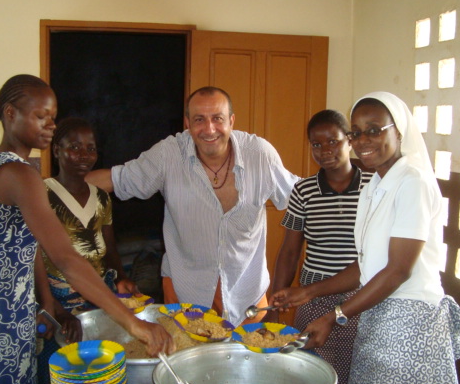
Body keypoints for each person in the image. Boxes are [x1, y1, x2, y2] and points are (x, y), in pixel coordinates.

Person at [0, 75, 174, 384]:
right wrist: (134, 324)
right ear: (10, 114)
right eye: (41, 117)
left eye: (53, 118)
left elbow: (29, 243)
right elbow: (66, 259)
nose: (50, 126)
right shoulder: (18, 173)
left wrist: (45, 304)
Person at [270, 91, 460, 384]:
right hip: (377, 316)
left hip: (409, 323)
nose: (363, 140)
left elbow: (398, 270)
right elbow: (365, 266)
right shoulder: (377, 185)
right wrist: (307, 292)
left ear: (399, 131)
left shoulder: (413, 182)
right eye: (358, 132)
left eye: (374, 130)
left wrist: (334, 315)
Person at [86, 86, 300, 326]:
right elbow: (119, 179)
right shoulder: (169, 154)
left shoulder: (259, 155)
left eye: (217, 118)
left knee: (252, 352)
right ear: (187, 123)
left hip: (247, 296)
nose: (209, 129)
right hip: (185, 293)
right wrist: (56, 188)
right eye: (199, 119)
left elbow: (303, 197)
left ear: (231, 121)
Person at [267, 109, 372, 384]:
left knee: (354, 383)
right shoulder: (303, 191)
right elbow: (289, 251)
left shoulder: (373, 187)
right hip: (312, 301)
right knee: (309, 381)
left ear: (349, 140)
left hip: (360, 300)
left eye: (333, 141)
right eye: (317, 144)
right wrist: (275, 302)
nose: (325, 150)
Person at [35, 116, 141, 384]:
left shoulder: (101, 198)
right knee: (60, 375)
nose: (84, 155)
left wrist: (121, 277)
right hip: (56, 296)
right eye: (74, 147)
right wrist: (56, 310)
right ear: (56, 150)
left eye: (90, 149)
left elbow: (110, 247)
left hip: (97, 293)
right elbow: (33, 258)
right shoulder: (42, 194)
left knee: (98, 370)